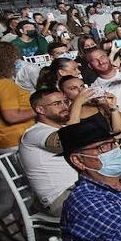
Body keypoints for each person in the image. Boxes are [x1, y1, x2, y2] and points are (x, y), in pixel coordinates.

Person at [18, 88, 83, 217]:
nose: (64, 106)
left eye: (66, 102)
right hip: (60, 198)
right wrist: (79, 102)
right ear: (40, 110)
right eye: (57, 104)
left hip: (80, 187)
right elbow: (66, 139)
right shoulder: (34, 133)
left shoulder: (63, 127)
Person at [82, 46, 121, 112]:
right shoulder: (94, 88)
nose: (100, 62)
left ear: (108, 57)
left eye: (102, 57)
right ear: (90, 66)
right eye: (95, 60)